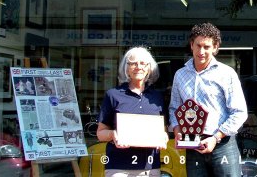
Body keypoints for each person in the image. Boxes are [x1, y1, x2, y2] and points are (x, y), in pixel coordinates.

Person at [169, 22, 248, 177]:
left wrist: (216, 137)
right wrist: (177, 129)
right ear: (191, 45)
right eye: (198, 45)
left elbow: (240, 112)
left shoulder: (227, 74)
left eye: (207, 47)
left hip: (223, 144)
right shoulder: (180, 75)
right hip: (192, 144)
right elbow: (174, 108)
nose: (202, 51)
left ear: (215, 48)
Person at [97, 46, 168, 177]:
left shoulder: (157, 97)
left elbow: (162, 131)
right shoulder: (113, 95)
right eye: (133, 63)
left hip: (149, 166)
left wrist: (163, 138)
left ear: (149, 68)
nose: (138, 67)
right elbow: (100, 133)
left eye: (143, 63)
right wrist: (114, 134)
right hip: (118, 166)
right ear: (126, 68)